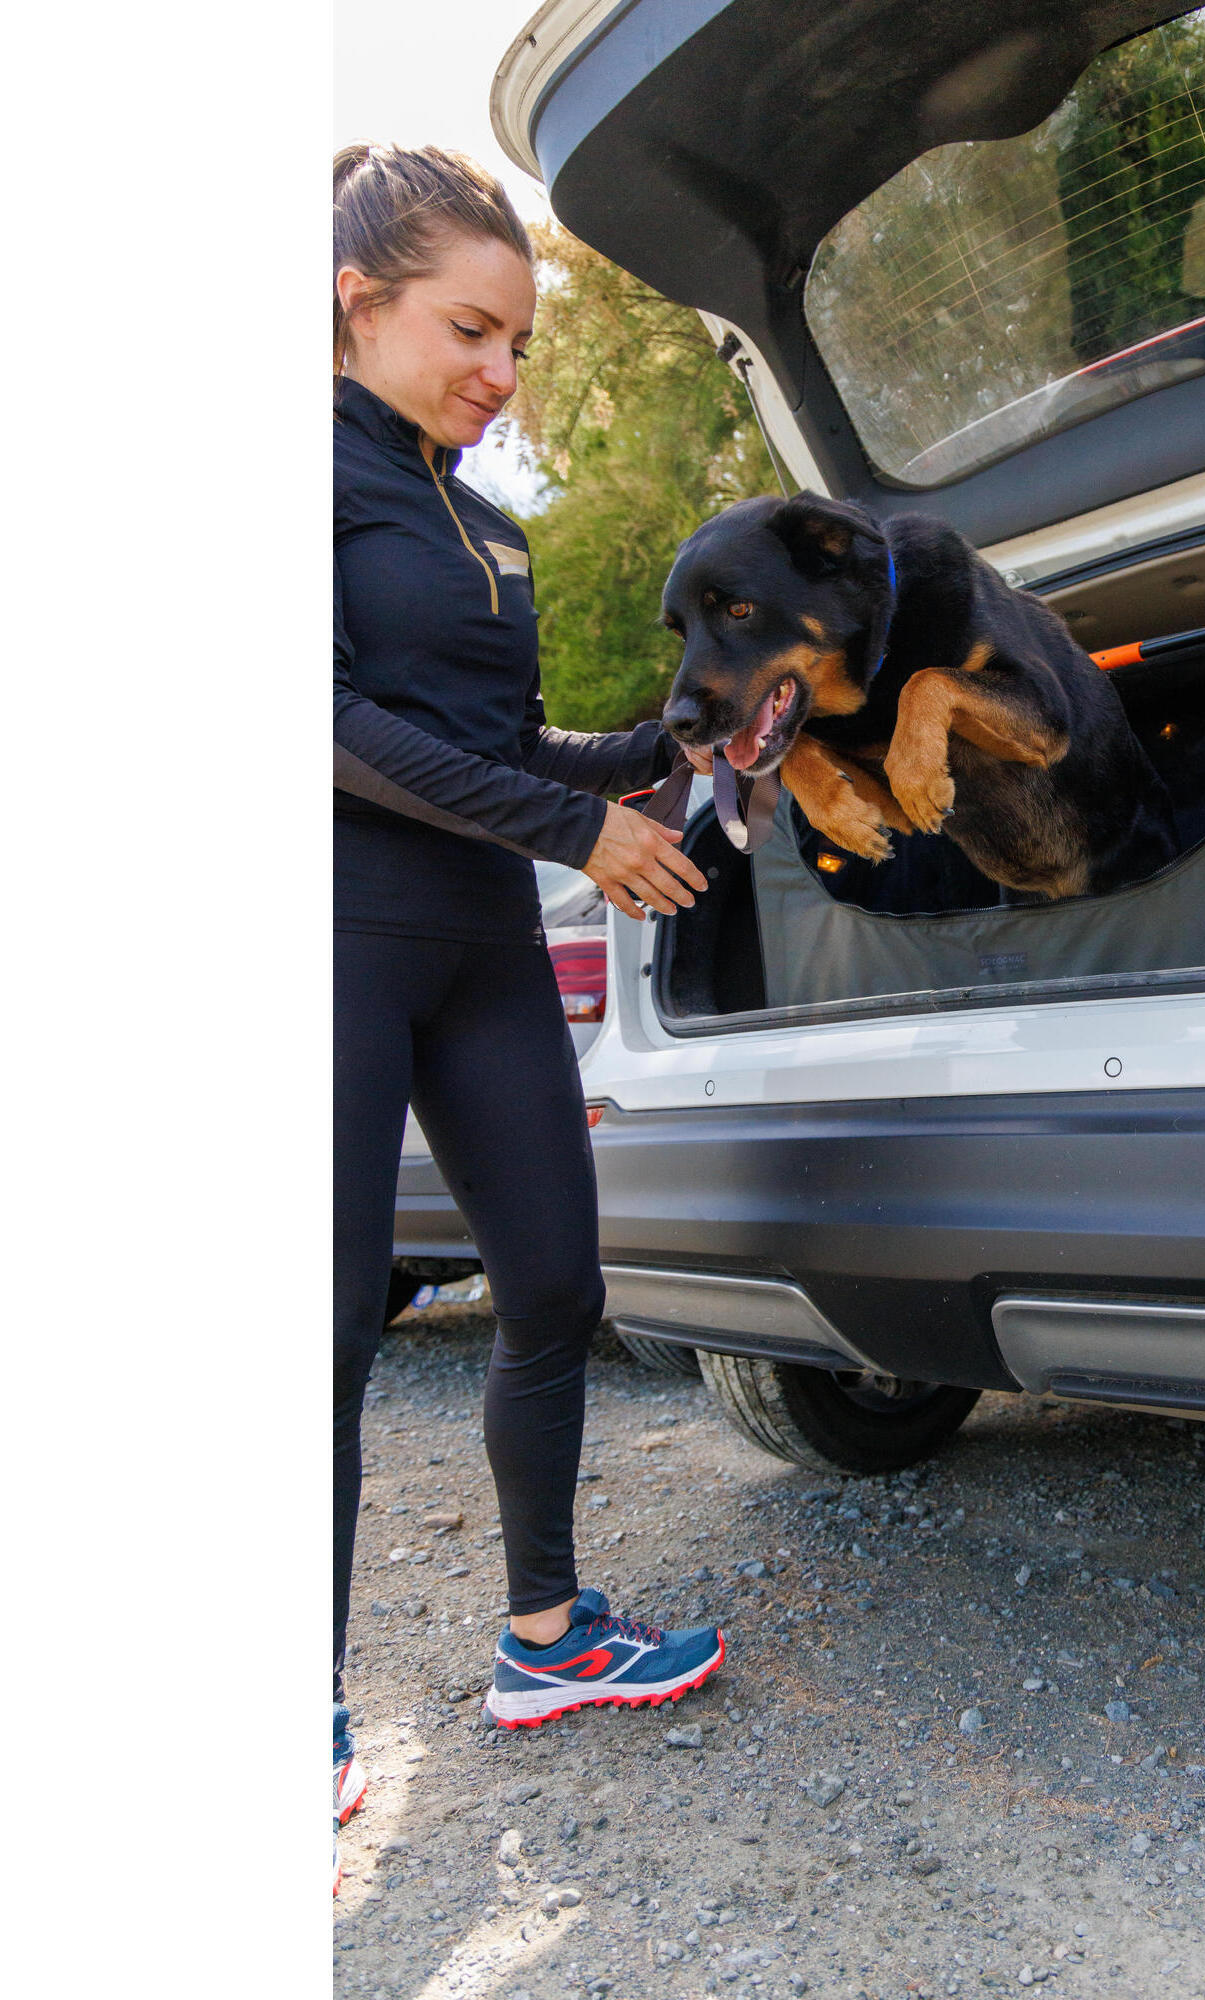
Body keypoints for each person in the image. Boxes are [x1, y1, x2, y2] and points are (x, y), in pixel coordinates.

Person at [332, 143, 724, 1870]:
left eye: (518, 346)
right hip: (328, 936)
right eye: (469, 331)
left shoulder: (481, 518)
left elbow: (498, 748)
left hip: (482, 944)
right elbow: (331, 728)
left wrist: (666, 746)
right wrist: (584, 828)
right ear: (357, 303)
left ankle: (545, 1634)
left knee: (554, 1276)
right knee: (324, 1329)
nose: (499, 374)